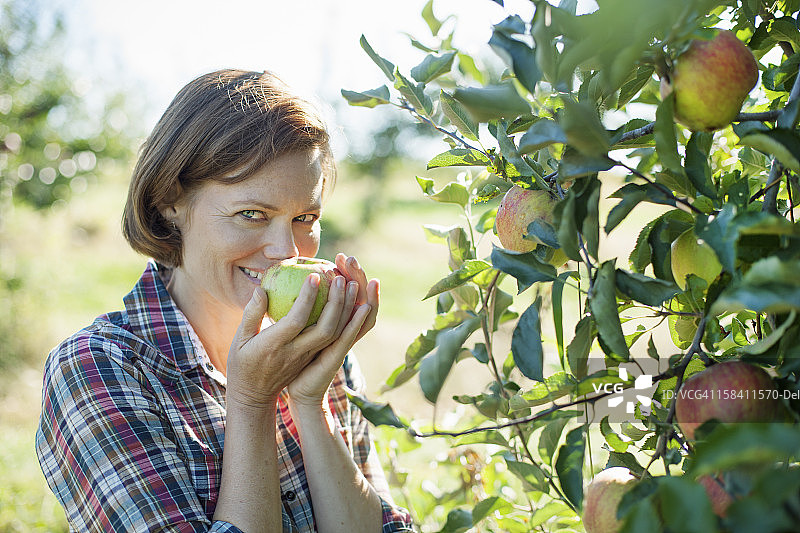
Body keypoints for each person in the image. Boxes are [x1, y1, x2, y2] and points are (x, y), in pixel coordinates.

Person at [35, 69, 414, 533]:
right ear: (170, 203)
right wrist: (252, 401)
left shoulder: (315, 349)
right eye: (252, 214)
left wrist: (309, 403)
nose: (287, 251)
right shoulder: (98, 369)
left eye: (305, 216)